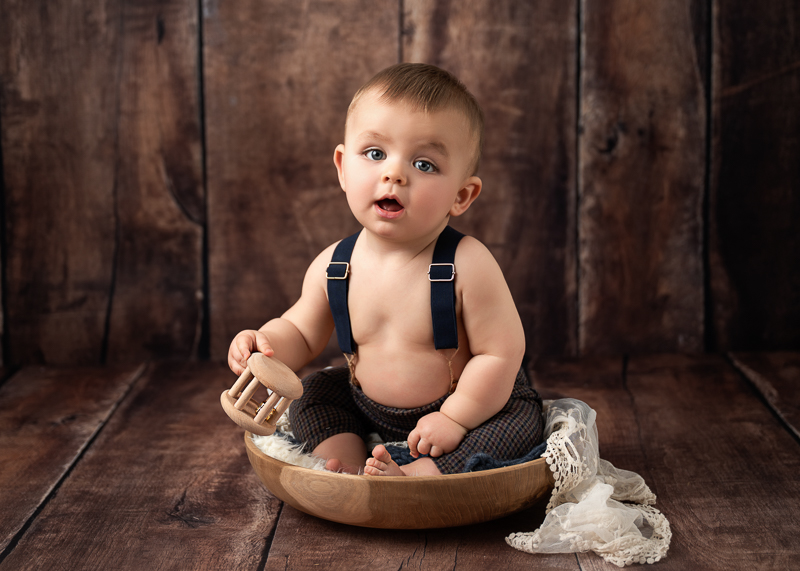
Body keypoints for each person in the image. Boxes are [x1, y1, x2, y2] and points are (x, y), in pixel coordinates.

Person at [228, 63, 542, 476]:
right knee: (314, 393)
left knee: (519, 425)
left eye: (424, 164)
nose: (394, 174)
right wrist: (264, 343)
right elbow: (302, 334)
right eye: (375, 154)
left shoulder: (467, 263)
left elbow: (500, 353)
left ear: (462, 195)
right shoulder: (334, 265)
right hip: (369, 405)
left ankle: (422, 475)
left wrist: (456, 418)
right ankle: (347, 463)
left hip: (468, 404)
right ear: (342, 167)